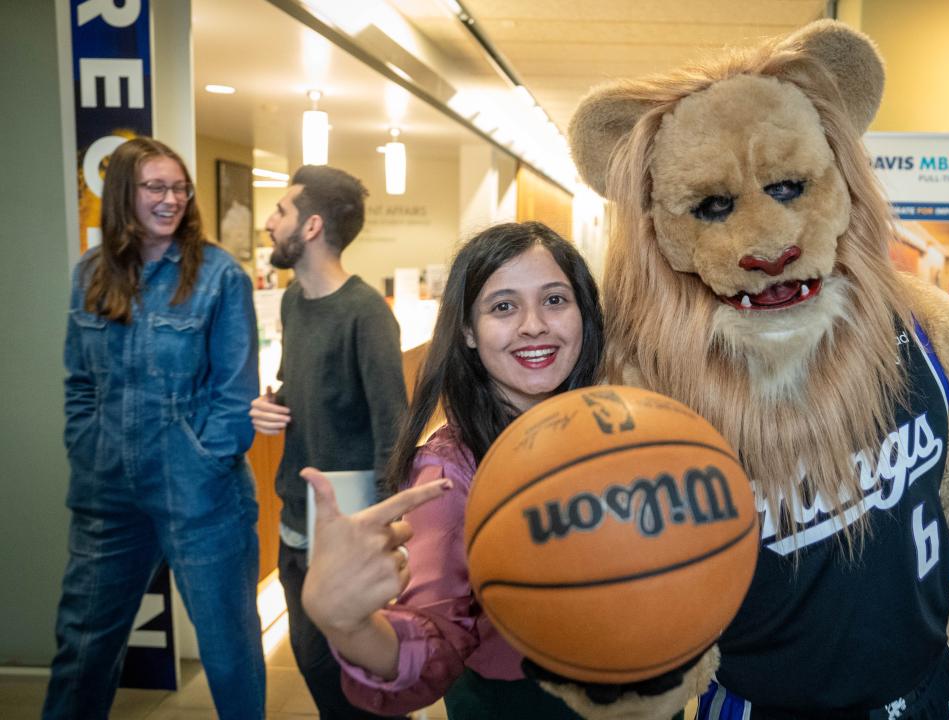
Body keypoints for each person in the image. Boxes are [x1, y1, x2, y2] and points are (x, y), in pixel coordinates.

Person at [300, 222, 604, 718]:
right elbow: (430, 641)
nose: (533, 324)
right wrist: (349, 625)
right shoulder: (450, 472)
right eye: (503, 306)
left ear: (584, 314)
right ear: (467, 330)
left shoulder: (628, 431)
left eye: (554, 299)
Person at [45, 137, 263, 718]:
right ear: (124, 194)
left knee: (229, 653)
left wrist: (203, 460)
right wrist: (87, 448)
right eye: (155, 188)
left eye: (179, 188)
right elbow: (79, 382)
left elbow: (234, 394)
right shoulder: (91, 274)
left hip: (201, 495)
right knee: (82, 650)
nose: (172, 200)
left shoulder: (218, 275)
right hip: (107, 493)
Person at [248, 165, 408, 719]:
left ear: (311, 227)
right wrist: (272, 405)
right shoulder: (294, 303)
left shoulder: (366, 314)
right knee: (314, 665)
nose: (269, 223)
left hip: (349, 535)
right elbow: (300, 386)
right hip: (296, 524)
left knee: (364, 686)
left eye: (281, 211)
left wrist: (389, 542)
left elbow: (395, 431)